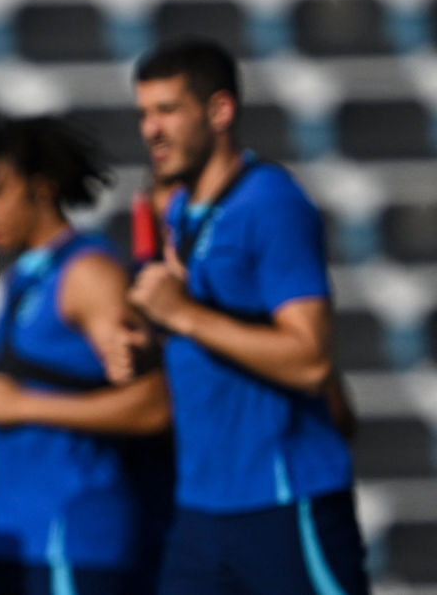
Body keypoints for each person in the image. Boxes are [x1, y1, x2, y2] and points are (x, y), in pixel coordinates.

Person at [128, 38, 369, 594]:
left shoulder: (270, 202)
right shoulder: (183, 209)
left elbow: (310, 360)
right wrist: (148, 349)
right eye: (143, 114)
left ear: (220, 111)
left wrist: (182, 315)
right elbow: (205, 333)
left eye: (167, 110)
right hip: (200, 506)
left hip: (283, 498)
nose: (150, 130)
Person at [0, 117, 172, 595]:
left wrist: (23, 406)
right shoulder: (25, 275)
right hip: (10, 535)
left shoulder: (88, 273)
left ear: (42, 187)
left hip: (70, 536)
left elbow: (152, 405)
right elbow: (32, 392)